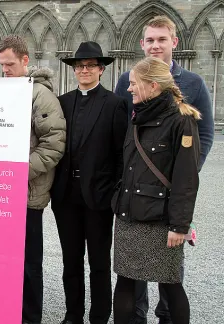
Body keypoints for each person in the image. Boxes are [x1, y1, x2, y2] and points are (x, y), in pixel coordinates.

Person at [114, 15, 214, 324]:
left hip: (166, 200)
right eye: (150, 40)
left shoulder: (193, 85)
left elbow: (205, 135)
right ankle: (138, 317)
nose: (155, 45)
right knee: (130, 278)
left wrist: (179, 179)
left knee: (170, 279)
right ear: (142, 43)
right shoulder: (128, 82)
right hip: (133, 201)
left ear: (174, 42)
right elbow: (122, 134)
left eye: (161, 39)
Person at [51, 41, 128, 324]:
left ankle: (99, 317)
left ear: (101, 70)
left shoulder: (115, 104)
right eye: (79, 66)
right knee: (71, 261)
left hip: (98, 198)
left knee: (98, 263)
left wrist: (114, 193)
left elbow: (121, 154)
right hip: (66, 196)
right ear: (74, 70)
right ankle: (73, 314)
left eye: (90, 66)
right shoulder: (63, 102)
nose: (84, 70)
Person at [0, 35, 66, 324]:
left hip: (26, 194)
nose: (5, 70)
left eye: (10, 64)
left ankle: (29, 317)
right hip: (1, 190)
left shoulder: (40, 95)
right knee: (3, 260)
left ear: (25, 60)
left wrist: (18, 173)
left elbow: (54, 142)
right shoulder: (3, 91)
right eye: (1, 65)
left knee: (28, 263)